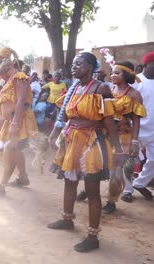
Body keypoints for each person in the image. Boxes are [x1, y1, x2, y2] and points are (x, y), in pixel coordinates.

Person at [47, 52, 126, 252]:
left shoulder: (102, 88)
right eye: (73, 64)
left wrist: (118, 148)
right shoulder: (74, 88)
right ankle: (67, 219)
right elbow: (64, 113)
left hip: (92, 140)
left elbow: (109, 120)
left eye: (79, 64)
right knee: (69, 181)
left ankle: (93, 236)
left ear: (91, 66)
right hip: (72, 139)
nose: (74, 67)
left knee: (91, 189)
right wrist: (55, 133)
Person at [0, 47, 38, 199]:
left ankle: (1, 187)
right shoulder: (8, 79)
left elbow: (22, 100)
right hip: (12, 121)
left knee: (9, 151)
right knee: (14, 151)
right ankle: (23, 177)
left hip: (20, 120)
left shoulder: (19, 76)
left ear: (7, 64)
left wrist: (15, 123)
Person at [100, 61, 145, 213]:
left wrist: (134, 142)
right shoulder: (109, 91)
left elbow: (136, 121)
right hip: (108, 136)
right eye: (112, 72)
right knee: (101, 165)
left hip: (124, 137)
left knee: (116, 170)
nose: (113, 75)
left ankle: (111, 201)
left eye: (117, 73)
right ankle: (91, 191)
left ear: (126, 75)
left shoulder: (134, 94)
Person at [131, 52, 154, 200]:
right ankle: (125, 191)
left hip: (153, 130)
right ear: (146, 65)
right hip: (135, 128)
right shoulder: (136, 80)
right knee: (127, 161)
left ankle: (139, 184)